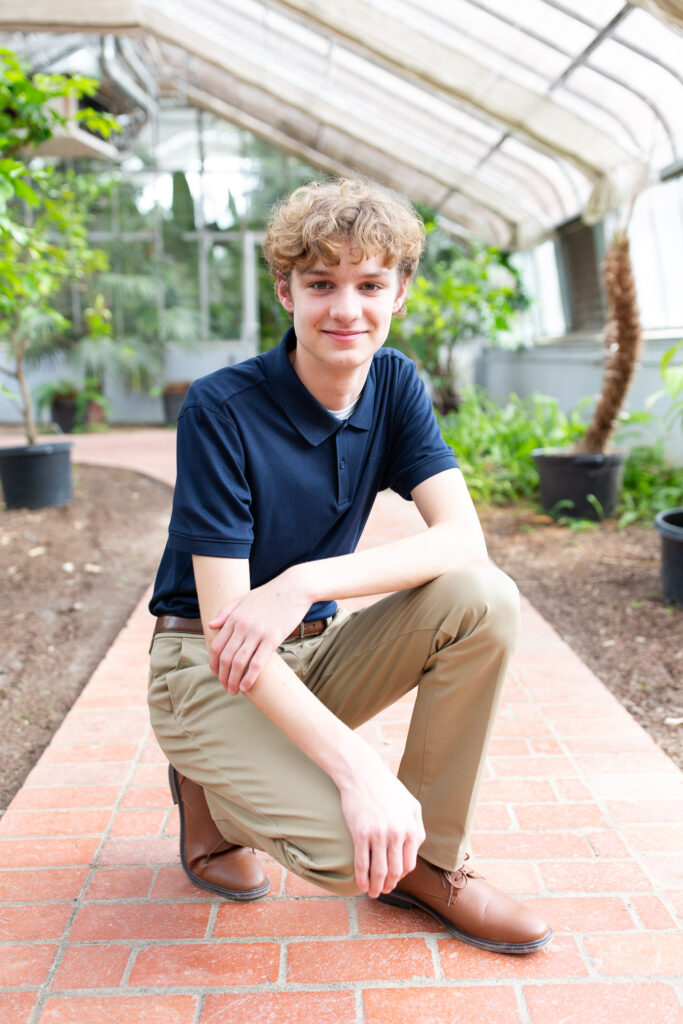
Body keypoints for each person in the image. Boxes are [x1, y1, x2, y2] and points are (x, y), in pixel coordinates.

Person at [147, 178, 552, 955]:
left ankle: (433, 868)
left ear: (399, 292)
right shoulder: (219, 409)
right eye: (320, 284)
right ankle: (208, 798)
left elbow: (463, 540)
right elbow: (232, 629)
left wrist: (304, 582)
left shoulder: (395, 383)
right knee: (346, 854)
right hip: (207, 661)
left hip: (309, 647)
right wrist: (360, 773)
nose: (344, 310)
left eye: (368, 284)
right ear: (285, 290)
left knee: (482, 599)